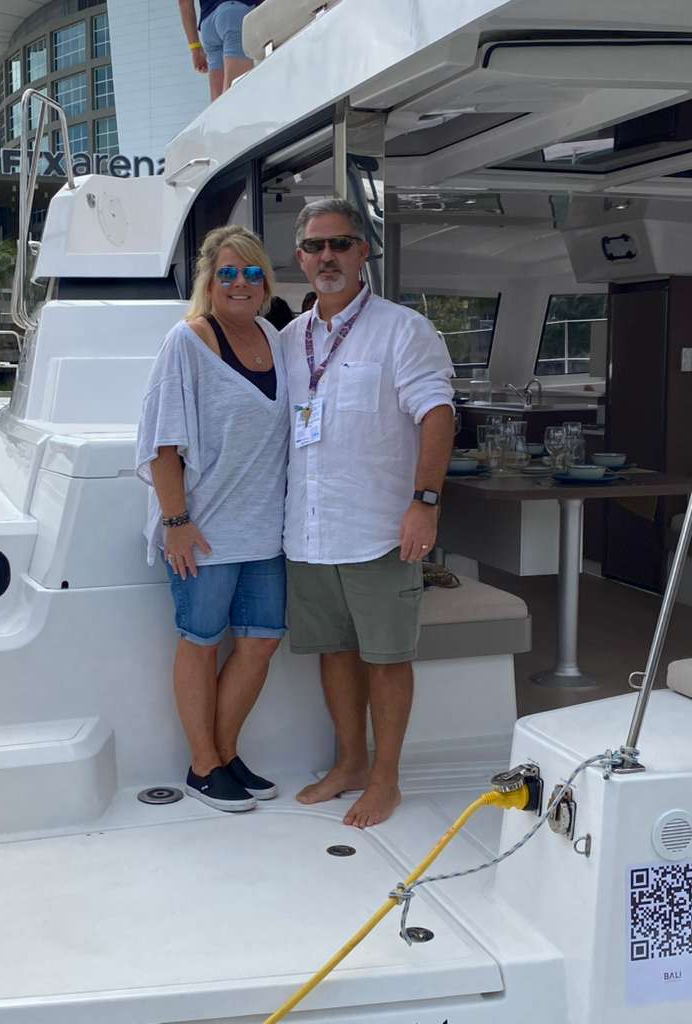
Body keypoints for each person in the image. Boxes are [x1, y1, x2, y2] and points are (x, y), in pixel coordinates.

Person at [281, 198, 455, 829]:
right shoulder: (287, 340)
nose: (328, 256)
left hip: (381, 527)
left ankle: (386, 779)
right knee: (333, 652)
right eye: (315, 246)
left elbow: (438, 415)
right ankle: (350, 763)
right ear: (300, 258)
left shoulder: (403, 330)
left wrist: (425, 503)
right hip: (308, 529)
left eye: (341, 244)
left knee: (386, 657)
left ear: (363, 254)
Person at [136, 225, 289, 812]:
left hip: (263, 531)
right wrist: (175, 521)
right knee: (200, 642)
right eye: (228, 272)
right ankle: (203, 765)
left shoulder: (275, 339)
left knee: (260, 642)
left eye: (252, 273)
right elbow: (162, 442)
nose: (241, 283)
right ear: (208, 280)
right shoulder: (189, 340)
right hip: (202, 530)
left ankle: (225, 754)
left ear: (266, 283)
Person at [178, 0, 261, 102]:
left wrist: (195, 48)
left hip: (208, 25)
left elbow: (184, 2)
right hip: (234, 15)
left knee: (218, 104)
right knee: (238, 94)